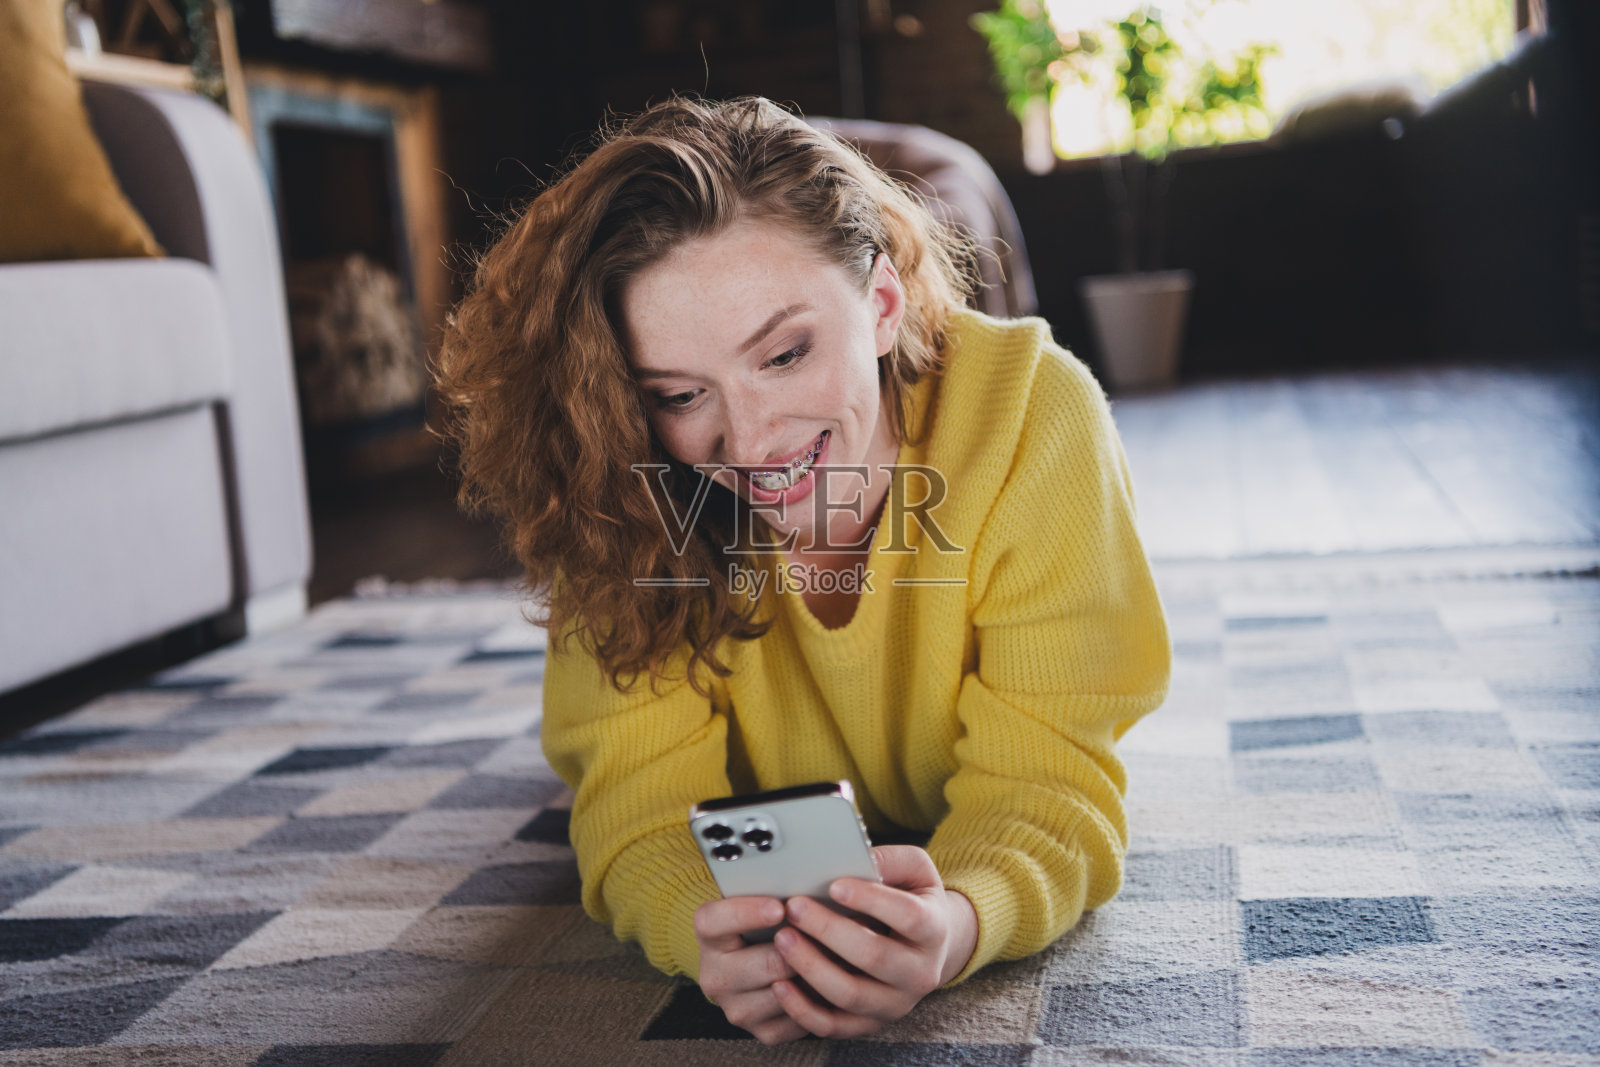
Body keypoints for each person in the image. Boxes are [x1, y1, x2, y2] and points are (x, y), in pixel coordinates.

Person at [434, 96, 1170, 1045]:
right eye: (681, 394)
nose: (750, 442)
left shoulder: (1033, 415)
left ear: (882, 305)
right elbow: (640, 810)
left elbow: (1050, 778)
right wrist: (711, 934)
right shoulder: (620, 476)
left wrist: (957, 923)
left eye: (784, 353)